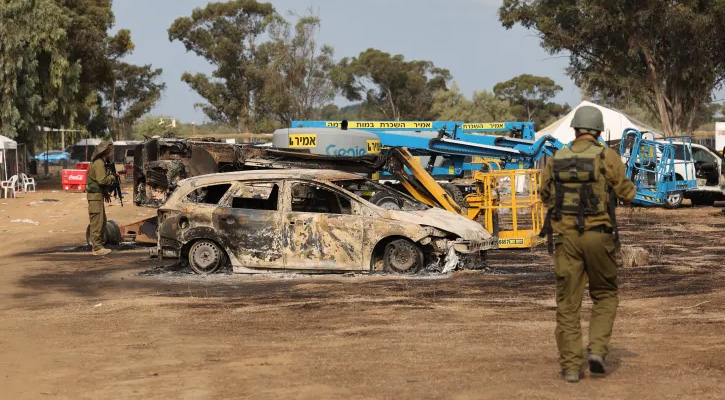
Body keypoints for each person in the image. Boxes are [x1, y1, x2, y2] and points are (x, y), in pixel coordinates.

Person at [539, 106, 637, 383]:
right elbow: (627, 193)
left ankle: (571, 367)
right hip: (599, 237)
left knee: (568, 304)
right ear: (598, 131)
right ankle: (596, 351)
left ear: (575, 129)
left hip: (566, 240)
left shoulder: (556, 158)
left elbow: (544, 194)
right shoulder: (608, 156)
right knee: (605, 295)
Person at [86, 141, 115, 256]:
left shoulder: (102, 162)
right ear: (105, 152)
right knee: (97, 222)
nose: (111, 153)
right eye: (110, 151)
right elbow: (102, 180)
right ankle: (97, 248)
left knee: (102, 221)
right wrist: (112, 178)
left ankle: (99, 245)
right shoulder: (99, 163)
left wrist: (106, 192)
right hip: (94, 196)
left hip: (98, 195)